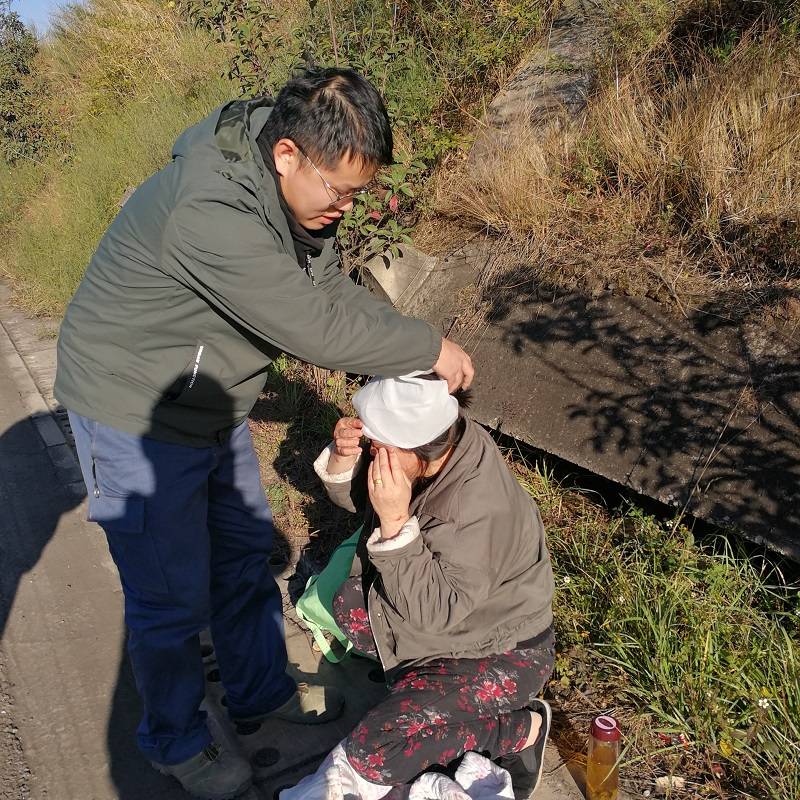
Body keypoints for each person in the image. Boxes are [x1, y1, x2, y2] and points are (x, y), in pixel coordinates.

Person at [54, 67, 473, 799]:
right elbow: (311, 324)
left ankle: (259, 693)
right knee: (170, 595)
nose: (346, 207)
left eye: (358, 193)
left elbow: (330, 290)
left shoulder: (295, 204)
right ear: (287, 156)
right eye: (338, 191)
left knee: (247, 554)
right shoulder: (210, 209)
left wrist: (412, 338)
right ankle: (175, 739)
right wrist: (427, 351)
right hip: (129, 405)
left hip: (204, 400)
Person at [303, 373, 555, 799]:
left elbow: (436, 612)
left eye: (378, 448)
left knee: (375, 752)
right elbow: (366, 499)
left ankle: (523, 729)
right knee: (352, 605)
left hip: (506, 653)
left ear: (413, 448)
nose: (371, 453)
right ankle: (429, 700)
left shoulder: (475, 509)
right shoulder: (443, 444)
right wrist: (346, 463)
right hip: (457, 625)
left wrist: (396, 523)